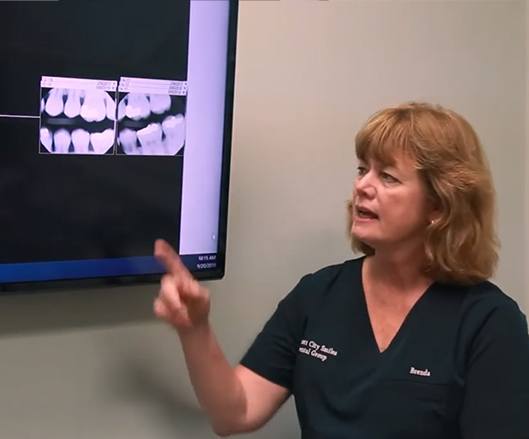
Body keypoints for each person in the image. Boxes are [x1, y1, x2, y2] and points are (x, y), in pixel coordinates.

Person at [153, 102, 529, 438]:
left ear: (438, 207)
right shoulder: (319, 294)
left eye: (388, 177)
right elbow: (234, 413)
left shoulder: (489, 323)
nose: (362, 186)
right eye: (363, 169)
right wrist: (195, 329)